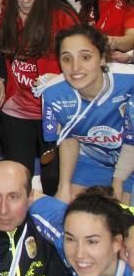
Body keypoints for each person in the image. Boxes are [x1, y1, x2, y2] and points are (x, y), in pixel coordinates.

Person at [0, 0, 80, 194]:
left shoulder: (64, 18)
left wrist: (58, 77)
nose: (25, 0)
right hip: (15, 110)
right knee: (17, 178)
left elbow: (83, 65)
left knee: (54, 179)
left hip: (54, 112)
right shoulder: (9, 13)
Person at [41, 25, 134, 202]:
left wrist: (118, 183)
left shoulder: (130, 82)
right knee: (66, 207)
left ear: (102, 58)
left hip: (130, 159)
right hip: (92, 159)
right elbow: (68, 138)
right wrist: (64, 187)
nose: (75, 67)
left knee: (125, 218)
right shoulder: (53, 93)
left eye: (85, 57)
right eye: (66, 59)